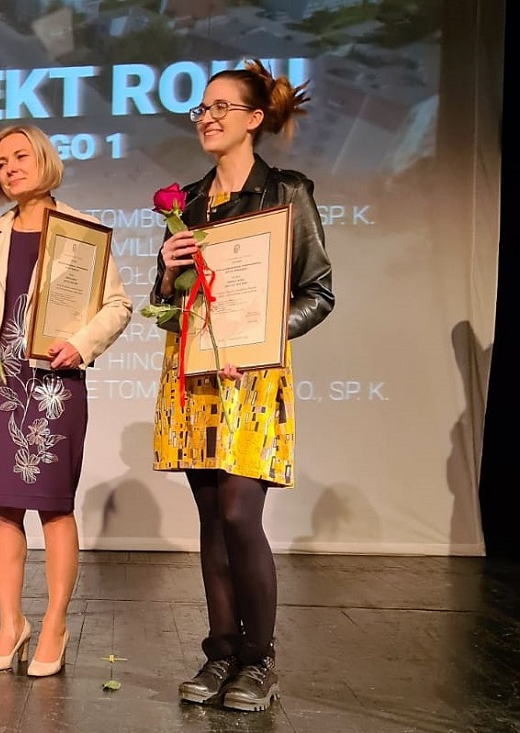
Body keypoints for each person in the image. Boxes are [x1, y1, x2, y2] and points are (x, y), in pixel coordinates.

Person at [150, 60, 335, 711]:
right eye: (202, 108)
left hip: (252, 384)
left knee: (238, 514)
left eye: (221, 107)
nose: (207, 117)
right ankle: (221, 651)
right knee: (210, 519)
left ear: (254, 118)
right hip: (195, 379)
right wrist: (165, 270)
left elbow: (318, 292)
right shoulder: (187, 204)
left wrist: (262, 343)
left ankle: (259, 660)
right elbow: (166, 307)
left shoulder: (286, 192)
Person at [0, 125, 132, 676]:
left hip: (53, 382)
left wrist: (81, 345)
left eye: (21, 156)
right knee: (3, 505)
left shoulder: (81, 230)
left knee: (54, 504)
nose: (10, 168)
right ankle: (10, 624)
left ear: (44, 160)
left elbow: (117, 305)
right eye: (2, 161)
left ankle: (55, 623)